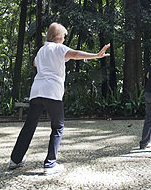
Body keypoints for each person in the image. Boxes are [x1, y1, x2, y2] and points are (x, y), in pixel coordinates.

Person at [8, 22, 110, 175]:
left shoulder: (42, 50)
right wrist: (96, 55)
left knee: (29, 126)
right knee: (57, 126)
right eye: (63, 36)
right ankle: (50, 164)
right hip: (51, 91)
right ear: (58, 36)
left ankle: (15, 160)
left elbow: (35, 63)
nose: (64, 38)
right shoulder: (58, 48)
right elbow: (75, 54)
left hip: (36, 91)